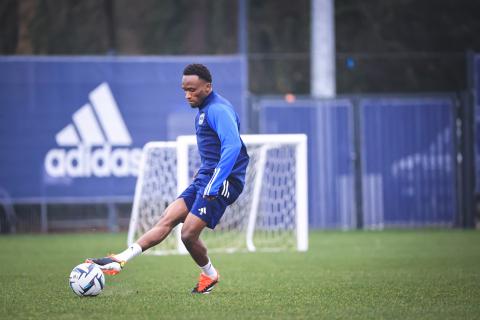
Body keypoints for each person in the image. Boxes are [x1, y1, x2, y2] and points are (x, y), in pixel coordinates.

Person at [87, 63, 249, 294]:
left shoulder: (218, 110)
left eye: (192, 89)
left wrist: (215, 182)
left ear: (207, 87)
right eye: (184, 89)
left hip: (224, 181)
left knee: (188, 234)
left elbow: (232, 146)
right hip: (208, 176)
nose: (188, 95)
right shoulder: (204, 110)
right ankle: (119, 260)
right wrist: (205, 173)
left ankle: (210, 275)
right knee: (167, 217)